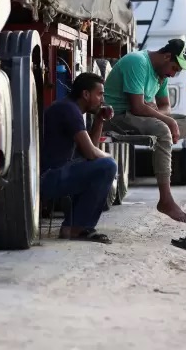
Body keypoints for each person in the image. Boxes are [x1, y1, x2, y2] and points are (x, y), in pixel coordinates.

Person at [102, 39, 186, 223]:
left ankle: (162, 137)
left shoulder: (161, 74)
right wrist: (165, 119)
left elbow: (165, 106)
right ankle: (165, 200)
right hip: (117, 116)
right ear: (167, 56)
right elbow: (137, 107)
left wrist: (157, 113)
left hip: (141, 117)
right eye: (174, 68)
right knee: (163, 129)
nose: (173, 74)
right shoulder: (138, 62)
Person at [41, 72, 118, 244]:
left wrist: (99, 119)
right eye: (100, 94)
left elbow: (89, 152)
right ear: (86, 94)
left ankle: (73, 225)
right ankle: (78, 227)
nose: (102, 99)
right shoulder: (69, 110)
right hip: (48, 177)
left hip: (54, 174)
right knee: (108, 166)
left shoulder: (69, 107)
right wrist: (110, 160)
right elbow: (92, 153)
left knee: (101, 165)